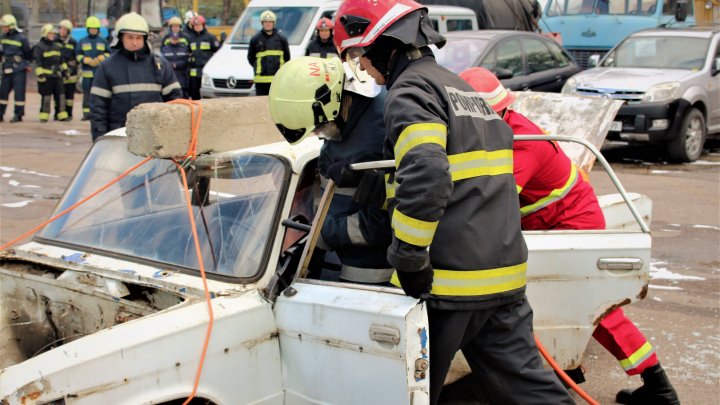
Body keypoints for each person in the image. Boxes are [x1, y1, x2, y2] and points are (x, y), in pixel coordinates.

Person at [333, 1, 574, 404]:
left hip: (449, 286)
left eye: (360, 58)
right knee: (535, 393)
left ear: (380, 45)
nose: (366, 72)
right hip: (504, 278)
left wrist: (409, 258)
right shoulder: (464, 90)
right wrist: (376, 184)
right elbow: (466, 175)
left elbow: (428, 174)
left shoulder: (409, 90)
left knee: (405, 392)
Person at [461, 66, 680, 405]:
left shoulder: (521, 145)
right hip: (548, 223)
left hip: (573, 223)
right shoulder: (504, 131)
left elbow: (491, 202)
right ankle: (569, 373)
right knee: (550, 304)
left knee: (599, 312)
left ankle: (658, 388)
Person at [269, 56, 393, 284]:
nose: (316, 134)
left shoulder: (379, 134)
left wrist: (324, 232)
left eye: (317, 127)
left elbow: (387, 222)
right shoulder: (346, 115)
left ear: (330, 103)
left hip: (375, 275)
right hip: (343, 257)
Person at [89, 12, 182, 141]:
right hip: (118, 139)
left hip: (155, 139)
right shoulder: (107, 67)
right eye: (130, 37)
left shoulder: (160, 65)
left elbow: (176, 103)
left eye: (139, 38)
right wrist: (100, 140)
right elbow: (98, 108)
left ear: (145, 38)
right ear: (121, 38)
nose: (135, 42)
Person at [247, 10, 290, 96]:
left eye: (270, 22)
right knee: (260, 106)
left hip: (277, 80)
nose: (268, 24)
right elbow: (251, 58)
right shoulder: (255, 39)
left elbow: (287, 58)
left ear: (274, 23)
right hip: (260, 82)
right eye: (265, 22)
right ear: (262, 23)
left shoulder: (282, 39)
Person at [76, 15, 109, 121]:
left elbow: (109, 53)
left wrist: (100, 58)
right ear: (88, 29)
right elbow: (78, 54)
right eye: (91, 29)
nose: (93, 30)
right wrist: (86, 60)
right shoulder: (82, 41)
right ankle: (86, 114)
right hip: (87, 73)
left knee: (98, 95)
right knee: (86, 95)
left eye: (95, 29)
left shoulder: (103, 41)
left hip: (99, 73)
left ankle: (97, 114)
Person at [33, 24, 68, 122]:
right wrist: (40, 74)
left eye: (53, 33)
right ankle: (44, 115)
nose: (53, 35)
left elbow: (61, 60)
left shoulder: (56, 46)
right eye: (50, 33)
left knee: (60, 95)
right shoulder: (39, 47)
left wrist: (65, 70)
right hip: (46, 77)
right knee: (46, 97)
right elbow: (37, 62)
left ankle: (61, 115)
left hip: (57, 76)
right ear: (45, 34)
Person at [0, 14, 31, 123]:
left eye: (5, 26)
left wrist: (26, 64)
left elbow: (28, 53)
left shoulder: (22, 38)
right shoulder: (2, 38)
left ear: (12, 26)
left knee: (19, 93)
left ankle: (18, 115)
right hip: (6, 68)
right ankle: (0, 114)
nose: (3, 28)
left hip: (19, 69)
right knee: (3, 92)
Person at [186, 14, 219, 100]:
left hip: (206, 72)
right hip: (194, 74)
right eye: (195, 25)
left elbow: (217, 52)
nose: (197, 27)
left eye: (199, 25)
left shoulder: (210, 37)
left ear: (203, 25)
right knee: (194, 97)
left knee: (208, 97)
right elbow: (188, 53)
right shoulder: (190, 39)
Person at [57, 19, 78, 120]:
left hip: (71, 71)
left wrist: (73, 65)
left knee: (70, 95)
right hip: (59, 71)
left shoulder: (73, 42)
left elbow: (77, 56)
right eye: (61, 29)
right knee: (59, 94)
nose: (62, 31)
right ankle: (58, 113)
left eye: (65, 30)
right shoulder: (55, 41)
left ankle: (69, 113)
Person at [161, 32, 190, 98]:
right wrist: (171, 65)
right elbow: (163, 61)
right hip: (170, 76)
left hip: (182, 76)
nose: (175, 40)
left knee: (184, 96)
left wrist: (176, 65)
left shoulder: (184, 49)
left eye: (176, 39)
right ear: (170, 39)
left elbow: (186, 61)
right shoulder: (165, 49)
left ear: (179, 39)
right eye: (173, 39)